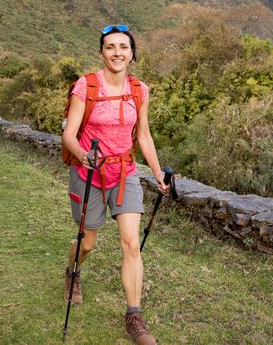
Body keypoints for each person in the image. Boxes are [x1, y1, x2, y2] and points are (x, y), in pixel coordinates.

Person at [61, 24, 168, 345]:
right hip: (89, 173)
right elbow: (69, 134)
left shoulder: (140, 90)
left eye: (123, 47)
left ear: (132, 53)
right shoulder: (85, 87)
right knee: (88, 242)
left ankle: (134, 316)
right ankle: (72, 273)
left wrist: (158, 172)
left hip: (125, 172)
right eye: (110, 47)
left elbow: (143, 135)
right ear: (101, 53)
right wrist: (82, 155)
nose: (117, 52)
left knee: (131, 243)